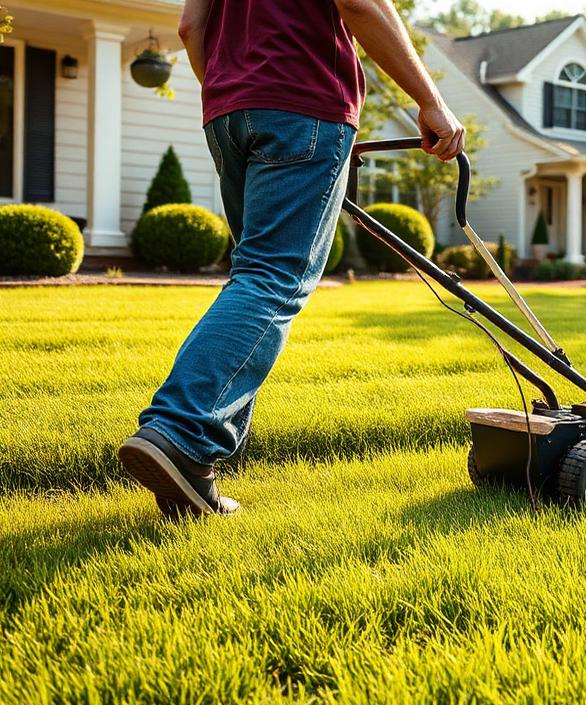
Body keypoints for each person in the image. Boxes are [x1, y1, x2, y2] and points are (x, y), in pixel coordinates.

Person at [117, 0, 464, 517]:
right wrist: (431, 100)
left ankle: (193, 470)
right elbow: (360, 5)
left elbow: (191, 28)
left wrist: (232, 91)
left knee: (252, 277)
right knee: (273, 279)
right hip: (305, 103)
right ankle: (180, 431)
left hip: (228, 113)